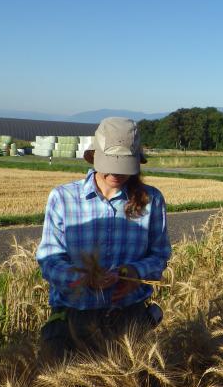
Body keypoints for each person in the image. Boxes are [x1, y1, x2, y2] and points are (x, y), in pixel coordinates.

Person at [36, 117, 171, 361]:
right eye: (110, 163)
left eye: (125, 165)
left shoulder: (152, 200)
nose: (117, 172)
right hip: (72, 320)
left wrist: (134, 273)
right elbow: (49, 260)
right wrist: (83, 278)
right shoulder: (63, 198)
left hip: (130, 321)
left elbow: (160, 255)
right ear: (95, 156)